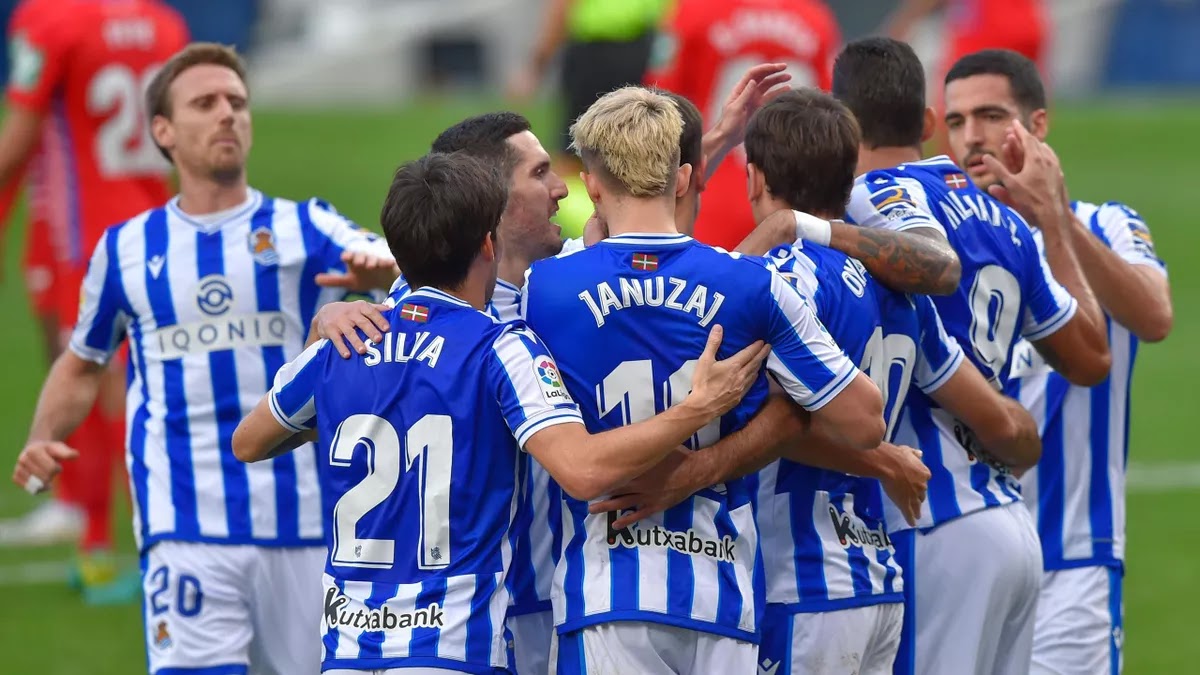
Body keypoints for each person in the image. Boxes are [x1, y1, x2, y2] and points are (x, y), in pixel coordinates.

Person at [232, 149, 771, 674]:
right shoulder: (499, 348)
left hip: (347, 653)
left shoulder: (341, 343)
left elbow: (249, 442)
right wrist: (698, 407)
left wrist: (322, 340)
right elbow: (582, 470)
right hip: (450, 649)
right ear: (488, 245)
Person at [595, 87, 1042, 675]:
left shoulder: (781, 280)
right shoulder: (901, 295)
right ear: (850, 179)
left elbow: (788, 416)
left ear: (754, 178)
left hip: (797, 583)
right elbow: (1004, 423)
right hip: (876, 580)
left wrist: (689, 473)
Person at [9, 42, 396, 674]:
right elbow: (83, 361)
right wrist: (44, 435)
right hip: (184, 527)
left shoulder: (307, 228)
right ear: (162, 130)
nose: (227, 115)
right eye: (206, 103)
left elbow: (401, 266)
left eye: (237, 103)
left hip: (304, 528)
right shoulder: (128, 249)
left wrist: (385, 268)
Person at [521, 85, 885, 673]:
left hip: (605, 600)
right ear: (685, 178)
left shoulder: (546, 290)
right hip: (723, 603)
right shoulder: (755, 286)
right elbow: (865, 421)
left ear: (591, 184)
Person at [830, 37, 1112, 675]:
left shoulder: (861, 208)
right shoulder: (1003, 216)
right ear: (928, 123)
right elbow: (1092, 357)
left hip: (929, 523)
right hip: (1011, 525)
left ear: (843, 125)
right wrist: (1052, 221)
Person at [943, 49, 1173, 675]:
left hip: (1073, 563)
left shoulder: (1107, 225)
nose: (973, 137)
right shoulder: (931, 248)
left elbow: (1154, 317)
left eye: (991, 115)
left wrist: (1055, 223)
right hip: (960, 552)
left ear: (1038, 125)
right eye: (957, 121)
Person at [0, 0, 189, 600]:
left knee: (95, 375)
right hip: (151, 219)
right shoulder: (165, 24)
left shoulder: (48, 18)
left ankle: (120, 545)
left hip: (85, 234)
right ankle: (97, 528)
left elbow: (19, 140)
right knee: (133, 381)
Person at [644, 0, 841, 251]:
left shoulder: (693, 10)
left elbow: (658, 101)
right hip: (793, 200)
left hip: (709, 193)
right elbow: (829, 114)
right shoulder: (816, 18)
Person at [509, 0, 671, 238]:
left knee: (575, 153)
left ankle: (588, 231)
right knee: (642, 146)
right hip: (644, 50)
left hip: (596, 54)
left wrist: (537, 65)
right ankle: (635, 228)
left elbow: (561, 6)